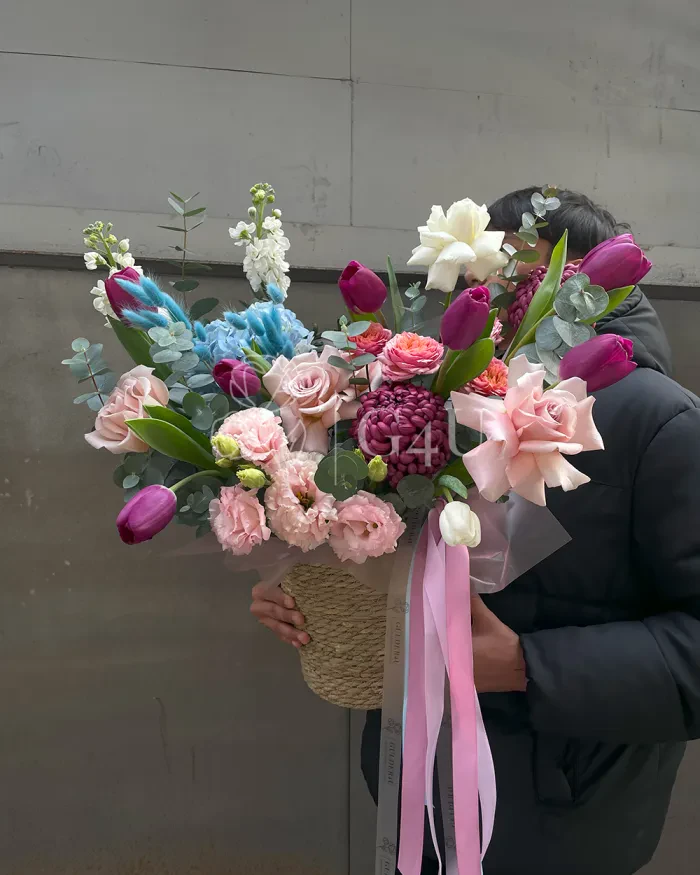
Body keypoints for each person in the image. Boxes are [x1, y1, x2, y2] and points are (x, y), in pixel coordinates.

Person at [250, 187, 700, 875]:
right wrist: (311, 590)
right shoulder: (430, 395)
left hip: (565, 819)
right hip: (413, 790)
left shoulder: (662, 424)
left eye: (521, 272)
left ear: (586, 277)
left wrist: (525, 664)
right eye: (479, 275)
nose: (493, 294)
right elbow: (392, 552)